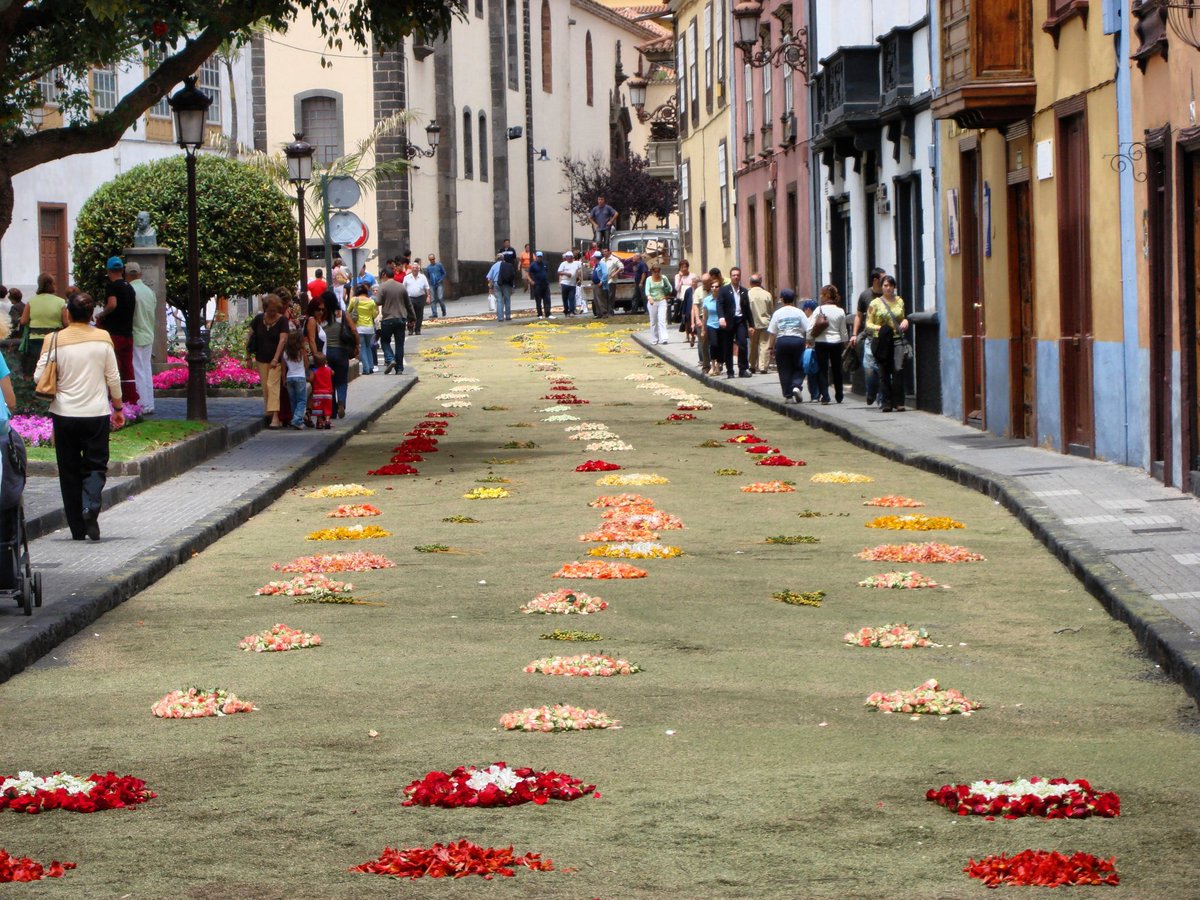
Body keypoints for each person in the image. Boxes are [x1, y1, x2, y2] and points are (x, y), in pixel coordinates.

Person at [34, 292, 125, 541]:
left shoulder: (54, 340)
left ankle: (77, 528)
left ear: (68, 314)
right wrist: (118, 407)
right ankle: (90, 507)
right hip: (95, 413)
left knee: (69, 470)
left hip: (63, 413)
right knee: (96, 465)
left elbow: (38, 377)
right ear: (91, 315)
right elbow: (113, 377)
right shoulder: (103, 338)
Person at [97, 256, 139, 405]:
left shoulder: (112, 286)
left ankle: (114, 398)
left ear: (109, 271)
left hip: (114, 332)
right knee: (128, 367)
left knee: (113, 366)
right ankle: (130, 399)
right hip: (128, 332)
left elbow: (112, 304)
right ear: (122, 270)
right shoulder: (129, 287)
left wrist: (101, 314)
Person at [867, 274, 910, 412]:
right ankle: (886, 402)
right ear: (881, 287)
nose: (888, 288)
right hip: (881, 342)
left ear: (894, 287)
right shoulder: (874, 304)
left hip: (897, 340)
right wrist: (879, 328)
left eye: (891, 285)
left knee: (898, 369)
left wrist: (906, 321)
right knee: (883, 372)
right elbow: (868, 323)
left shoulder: (899, 301)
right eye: (885, 285)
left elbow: (903, 317)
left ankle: (899, 402)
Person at [247, 294, 289, 428]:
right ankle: (270, 412)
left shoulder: (282, 321)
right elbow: (250, 336)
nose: (272, 313)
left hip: (275, 360)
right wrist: (248, 356)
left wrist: (276, 358)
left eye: (275, 310)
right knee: (265, 387)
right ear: (265, 308)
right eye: (270, 310)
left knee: (273, 386)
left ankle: (275, 417)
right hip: (261, 358)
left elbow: (283, 340)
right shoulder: (259, 319)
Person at [20, 274, 67, 378]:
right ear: (52, 285)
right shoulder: (61, 302)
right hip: (55, 340)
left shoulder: (31, 301)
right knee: (54, 370)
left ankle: (37, 390)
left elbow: (23, 321)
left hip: (35, 340)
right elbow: (66, 323)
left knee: (37, 370)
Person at [851, 266, 886, 406]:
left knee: (884, 370)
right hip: (870, 337)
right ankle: (871, 392)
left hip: (885, 338)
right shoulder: (865, 295)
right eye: (883, 278)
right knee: (869, 367)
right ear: (875, 280)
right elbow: (858, 316)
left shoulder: (888, 295)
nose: (887, 282)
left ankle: (882, 398)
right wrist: (854, 334)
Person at [767, 289, 808, 404]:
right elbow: (807, 328)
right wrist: (809, 341)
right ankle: (796, 385)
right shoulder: (799, 312)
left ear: (782, 299)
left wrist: (770, 347)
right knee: (799, 365)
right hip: (797, 340)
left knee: (784, 369)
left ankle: (788, 395)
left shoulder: (777, 313)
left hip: (782, 341)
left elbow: (772, 332)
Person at [126, 262, 157, 415]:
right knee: (146, 368)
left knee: (138, 369)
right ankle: (149, 403)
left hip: (136, 333)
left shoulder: (130, 290)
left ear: (127, 275)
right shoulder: (149, 291)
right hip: (148, 333)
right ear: (140, 274)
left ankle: (142, 403)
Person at [320, 289, 356, 418]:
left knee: (329, 382)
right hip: (341, 351)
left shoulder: (320, 317)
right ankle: (341, 402)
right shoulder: (342, 314)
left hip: (326, 353)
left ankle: (333, 409)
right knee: (341, 380)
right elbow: (353, 330)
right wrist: (357, 346)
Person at [813, 284, 850, 404]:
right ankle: (839, 394)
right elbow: (843, 331)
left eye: (821, 294)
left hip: (821, 342)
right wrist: (846, 344)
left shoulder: (818, 310)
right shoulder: (840, 311)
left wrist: (809, 338)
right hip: (836, 342)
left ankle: (825, 396)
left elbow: (811, 326)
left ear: (825, 296)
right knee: (836, 369)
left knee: (822, 370)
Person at [377, 267, 415, 374]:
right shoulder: (401, 287)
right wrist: (412, 318)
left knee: (384, 341)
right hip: (401, 319)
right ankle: (399, 368)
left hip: (388, 319)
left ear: (384, 275)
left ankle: (390, 358)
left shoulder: (382, 287)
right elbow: (408, 304)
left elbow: (378, 301)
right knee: (399, 344)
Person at [715, 266, 751, 379]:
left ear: (740, 276)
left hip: (740, 320)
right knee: (727, 346)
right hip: (728, 321)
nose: (736, 277)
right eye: (734, 275)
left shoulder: (744, 291)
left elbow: (747, 309)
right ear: (730, 277)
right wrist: (721, 318)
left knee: (743, 344)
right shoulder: (724, 290)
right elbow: (719, 305)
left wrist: (752, 325)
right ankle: (730, 370)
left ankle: (743, 369)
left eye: (737, 275)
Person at [347, 284, 379, 375]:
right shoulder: (371, 301)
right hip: (370, 328)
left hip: (359, 328)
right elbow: (374, 315)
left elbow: (348, 311)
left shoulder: (354, 300)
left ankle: (366, 368)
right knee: (368, 346)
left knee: (362, 348)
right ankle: (371, 366)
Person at [746, 273, 774, 374]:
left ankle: (752, 365)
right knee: (764, 345)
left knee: (753, 345)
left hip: (752, 324)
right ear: (760, 282)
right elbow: (771, 310)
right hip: (765, 323)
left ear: (750, 283)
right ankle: (763, 367)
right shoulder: (767, 294)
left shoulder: (747, 294)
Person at [283, 329, 309, 430]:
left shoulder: (285, 352)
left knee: (293, 401)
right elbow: (306, 364)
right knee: (302, 400)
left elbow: (284, 368)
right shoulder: (302, 351)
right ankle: (297, 420)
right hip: (300, 377)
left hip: (289, 377)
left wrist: (283, 379)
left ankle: (296, 420)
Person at [645, 263, 672, 345]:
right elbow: (647, 290)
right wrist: (650, 298)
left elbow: (670, 287)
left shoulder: (663, 278)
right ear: (652, 272)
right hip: (652, 301)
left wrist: (666, 296)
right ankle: (654, 338)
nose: (656, 274)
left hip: (661, 301)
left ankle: (664, 338)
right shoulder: (649, 279)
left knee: (662, 319)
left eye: (658, 272)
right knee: (653, 321)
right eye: (655, 272)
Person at [487, 252, 517, 321]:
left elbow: (489, 278)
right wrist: (513, 286)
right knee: (507, 300)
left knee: (499, 300)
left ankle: (500, 317)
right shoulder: (508, 265)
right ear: (503, 259)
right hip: (506, 284)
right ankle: (508, 316)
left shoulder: (494, 266)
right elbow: (512, 276)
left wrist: (490, 288)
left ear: (496, 259)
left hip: (497, 283)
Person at [402, 262, 431, 335]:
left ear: (419, 269)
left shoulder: (423, 277)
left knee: (419, 314)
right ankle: (410, 329)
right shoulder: (407, 277)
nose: (415, 269)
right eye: (413, 268)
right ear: (411, 269)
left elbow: (427, 287)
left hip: (420, 297)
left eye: (416, 268)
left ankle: (418, 329)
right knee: (410, 314)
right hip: (410, 298)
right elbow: (403, 288)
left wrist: (428, 297)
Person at [309, 354, 334, 429]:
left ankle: (319, 422)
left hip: (317, 394)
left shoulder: (315, 371)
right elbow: (333, 373)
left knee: (318, 409)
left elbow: (311, 379)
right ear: (325, 361)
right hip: (328, 393)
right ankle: (327, 420)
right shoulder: (328, 370)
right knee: (327, 408)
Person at [528, 251, 553, 319]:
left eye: (540, 257)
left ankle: (548, 313)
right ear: (536, 257)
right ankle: (540, 314)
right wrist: (531, 281)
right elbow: (528, 274)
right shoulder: (533, 265)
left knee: (547, 299)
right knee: (538, 300)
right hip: (537, 285)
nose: (539, 258)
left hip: (545, 284)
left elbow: (546, 271)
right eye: (538, 257)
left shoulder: (545, 264)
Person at [557, 251, 580, 316]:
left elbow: (582, 266)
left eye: (570, 257)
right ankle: (566, 310)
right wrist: (566, 273)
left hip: (572, 284)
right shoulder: (563, 264)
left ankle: (572, 311)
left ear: (572, 257)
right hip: (564, 283)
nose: (568, 258)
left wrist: (579, 276)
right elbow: (559, 272)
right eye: (567, 257)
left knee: (571, 298)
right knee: (565, 298)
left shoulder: (576, 263)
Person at [680, 273, 699, 349]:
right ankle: (692, 336)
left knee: (695, 324)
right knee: (689, 325)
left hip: (696, 309)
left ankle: (694, 336)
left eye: (695, 282)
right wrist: (683, 312)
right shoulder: (688, 291)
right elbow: (685, 301)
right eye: (692, 282)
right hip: (688, 309)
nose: (693, 284)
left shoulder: (699, 290)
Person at [425, 253, 447, 318]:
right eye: (431, 259)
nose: (432, 260)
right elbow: (428, 276)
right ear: (429, 260)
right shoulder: (428, 268)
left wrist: (441, 279)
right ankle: (434, 313)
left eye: (433, 259)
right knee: (433, 299)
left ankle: (443, 310)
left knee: (440, 298)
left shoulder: (439, 265)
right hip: (432, 284)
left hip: (439, 284)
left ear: (435, 259)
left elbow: (444, 273)